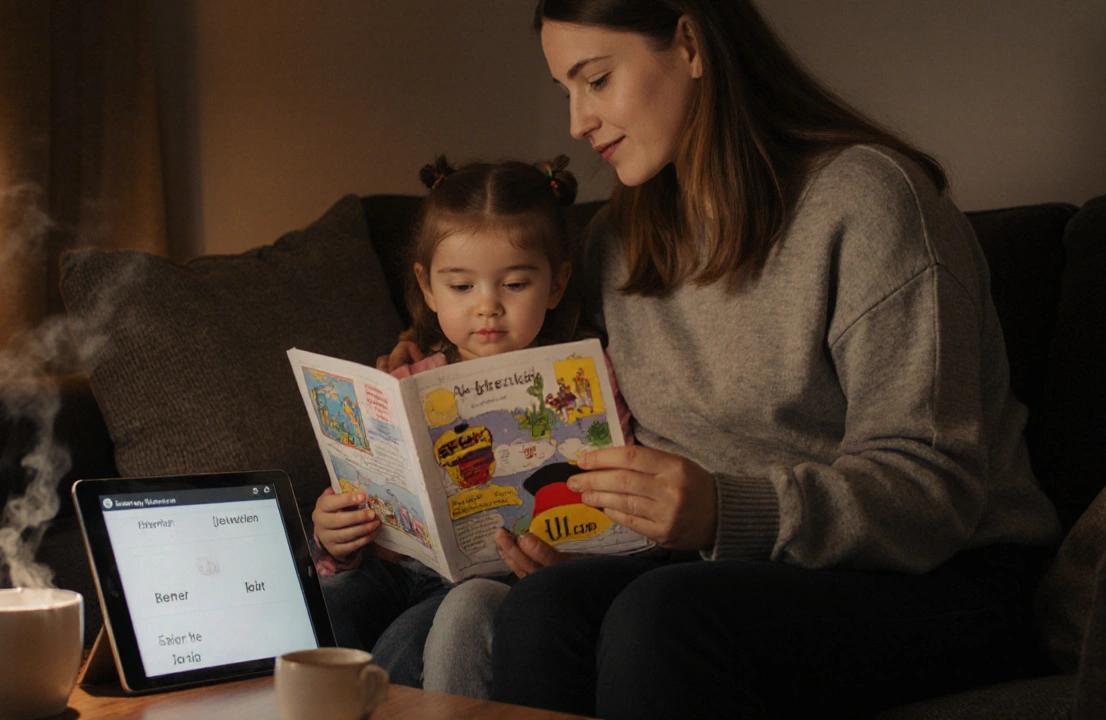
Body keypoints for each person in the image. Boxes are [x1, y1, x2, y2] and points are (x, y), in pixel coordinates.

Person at [382, 1, 1064, 717]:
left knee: (662, 617)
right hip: (711, 567)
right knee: (544, 606)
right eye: (567, 91)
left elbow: (934, 490)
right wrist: (418, 346)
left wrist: (724, 511)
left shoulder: (869, 204)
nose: (576, 123)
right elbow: (519, 336)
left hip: (943, 574)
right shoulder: (618, 239)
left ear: (689, 43)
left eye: (597, 80)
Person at [314, 152, 629, 693]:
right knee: (325, 598)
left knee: (405, 646)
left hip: (486, 575)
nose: (488, 308)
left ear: (556, 284)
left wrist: (570, 557)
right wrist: (335, 533)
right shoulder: (403, 380)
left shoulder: (582, 382)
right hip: (395, 567)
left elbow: (616, 499)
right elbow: (369, 492)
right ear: (428, 287)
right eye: (461, 287)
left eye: (514, 284)